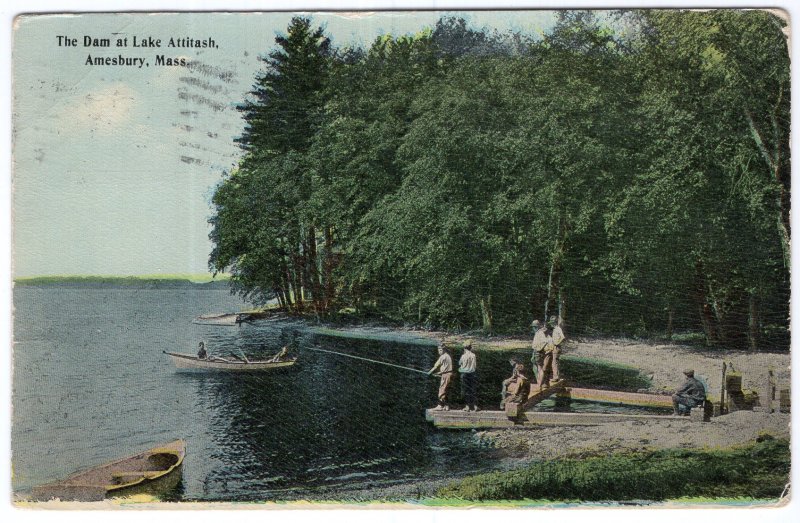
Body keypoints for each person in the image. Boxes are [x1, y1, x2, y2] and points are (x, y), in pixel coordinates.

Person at [428, 342, 454, 411]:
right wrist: (438, 373)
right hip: (449, 374)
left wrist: (429, 372)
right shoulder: (448, 356)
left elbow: (435, 366)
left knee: (442, 390)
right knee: (446, 390)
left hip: (445, 375)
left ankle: (440, 406)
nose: (439, 351)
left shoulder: (442, 357)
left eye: (440, 350)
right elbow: (447, 368)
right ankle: (446, 406)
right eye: (438, 350)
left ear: (444, 349)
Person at [458, 340, 478, 412]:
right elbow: (475, 366)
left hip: (464, 374)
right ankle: (475, 406)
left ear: (465, 348)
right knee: (472, 390)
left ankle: (467, 406)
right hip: (472, 374)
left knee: (465, 390)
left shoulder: (463, 356)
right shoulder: (473, 355)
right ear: (470, 348)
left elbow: (459, 363)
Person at [530, 319, 548, 385]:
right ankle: (539, 381)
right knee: (535, 366)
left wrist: (539, 349)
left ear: (536, 327)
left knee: (540, 368)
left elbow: (545, 341)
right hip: (536, 352)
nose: (533, 328)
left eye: (533, 327)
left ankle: (540, 383)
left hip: (538, 352)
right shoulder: (538, 332)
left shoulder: (540, 333)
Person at [549, 315, 565, 382]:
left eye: (551, 323)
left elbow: (562, 337)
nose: (551, 325)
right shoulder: (555, 329)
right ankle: (556, 376)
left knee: (554, 362)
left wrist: (557, 343)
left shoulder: (558, 328)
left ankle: (555, 377)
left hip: (557, 347)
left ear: (554, 323)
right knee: (555, 362)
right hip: (554, 347)